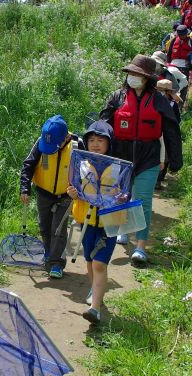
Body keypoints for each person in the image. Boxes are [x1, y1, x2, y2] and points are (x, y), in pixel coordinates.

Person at [99, 56, 183, 265]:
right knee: (121, 197)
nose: (132, 77)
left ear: (147, 79)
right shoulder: (117, 97)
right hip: (121, 156)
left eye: (137, 75)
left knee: (143, 202)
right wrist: (95, 151)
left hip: (149, 157)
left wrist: (175, 160)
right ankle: (123, 230)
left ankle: (140, 247)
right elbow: (103, 126)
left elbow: (171, 130)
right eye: (131, 74)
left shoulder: (158, 100)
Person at [65, 120, 117, 324]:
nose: (95, 144)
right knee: (89, 260)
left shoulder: (117, 167)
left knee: (99, 264)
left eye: (100, 140)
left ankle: (94, 308)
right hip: (86, 223)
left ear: (109, 143)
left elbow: (123, 194)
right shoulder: (82, 164)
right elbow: (74, 189)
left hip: (109, 223)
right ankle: (95, 291)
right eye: (92, 140)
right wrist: (72, 192)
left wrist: (120, 198)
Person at [20, 115, 80, 279]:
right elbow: (28, 165)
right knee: (44, 226)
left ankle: (57, 263)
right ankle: (47, 251)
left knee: (58, 229)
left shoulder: (77, 146)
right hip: (43, 193)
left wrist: (79, 191)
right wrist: (24, 188)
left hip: (65, 195)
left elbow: (86, 171)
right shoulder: (41, 143)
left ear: (65, 137)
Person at [154, 79, 182, 190]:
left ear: (168, 92)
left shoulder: (172, 104)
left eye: (163, 91)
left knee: (165, 156)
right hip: (156, 131)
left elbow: (177, 120)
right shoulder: (154, 101)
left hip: (167, 133)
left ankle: (160, 178)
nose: (160, 93)